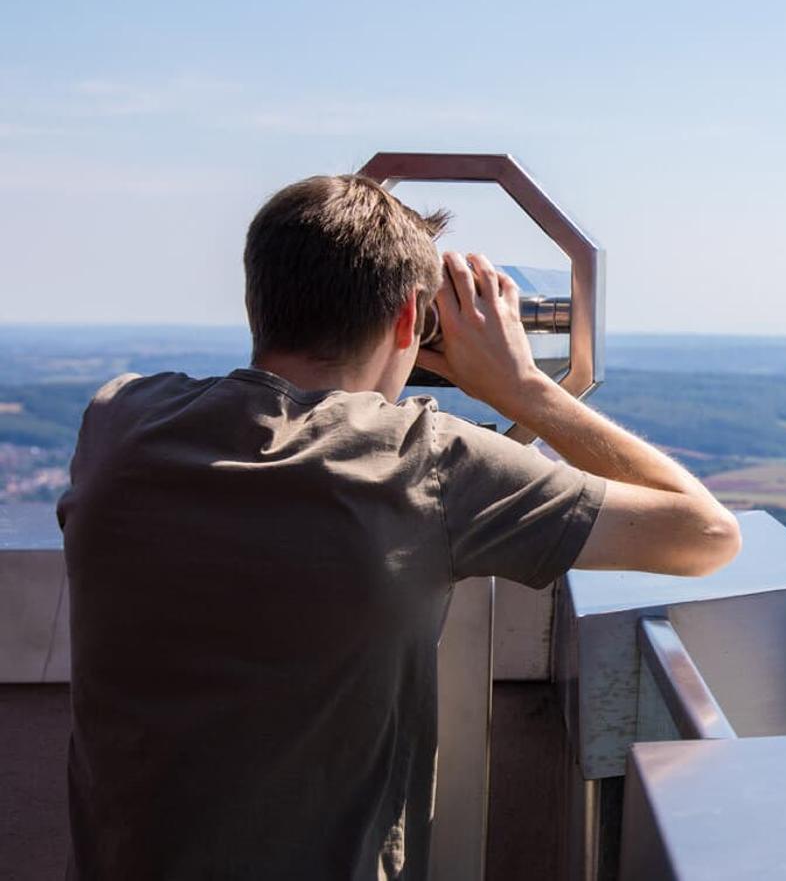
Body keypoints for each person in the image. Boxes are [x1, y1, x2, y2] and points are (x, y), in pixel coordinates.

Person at [56, 174, 741, 880]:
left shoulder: (120, 424)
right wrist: (523, 388)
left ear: (255, 299)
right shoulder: (426, 463)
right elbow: (708, 534)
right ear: (413, 322)